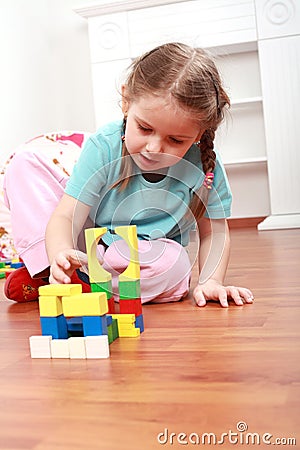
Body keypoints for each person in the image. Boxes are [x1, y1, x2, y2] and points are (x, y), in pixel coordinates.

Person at [4, 42, 254, 307]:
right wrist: (61, 253)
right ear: (125, 101)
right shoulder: (104, 146)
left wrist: (210, 281)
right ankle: (56, 272)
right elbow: (67, 214)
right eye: (145, 128)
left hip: (146, 254)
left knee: (175, 265)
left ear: (199, 134)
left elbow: (214, 233)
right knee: (24, 164)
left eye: (176, 140)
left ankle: (76, 283)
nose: (155, 148)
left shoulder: (205, 168)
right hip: (90, 243)